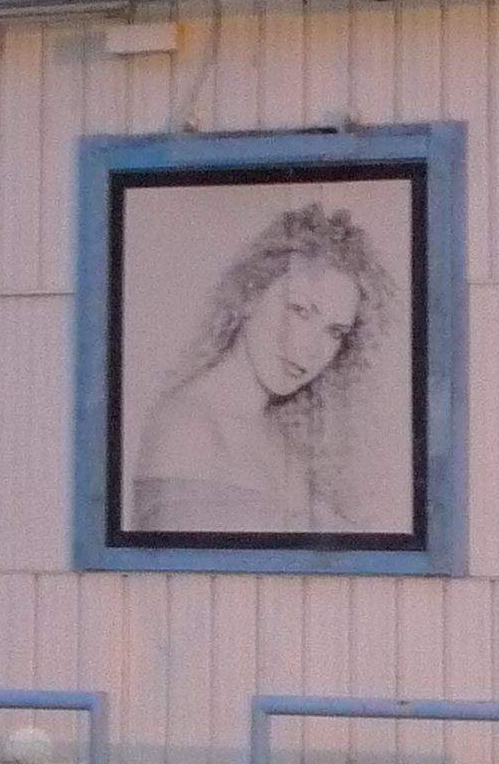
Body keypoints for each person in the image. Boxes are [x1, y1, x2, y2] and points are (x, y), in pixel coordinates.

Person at [129, 201, 399, 534]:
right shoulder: (188, 427)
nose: (313, 349)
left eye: (334, 332)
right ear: (250, 296)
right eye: (300, 310)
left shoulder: (283, 438)